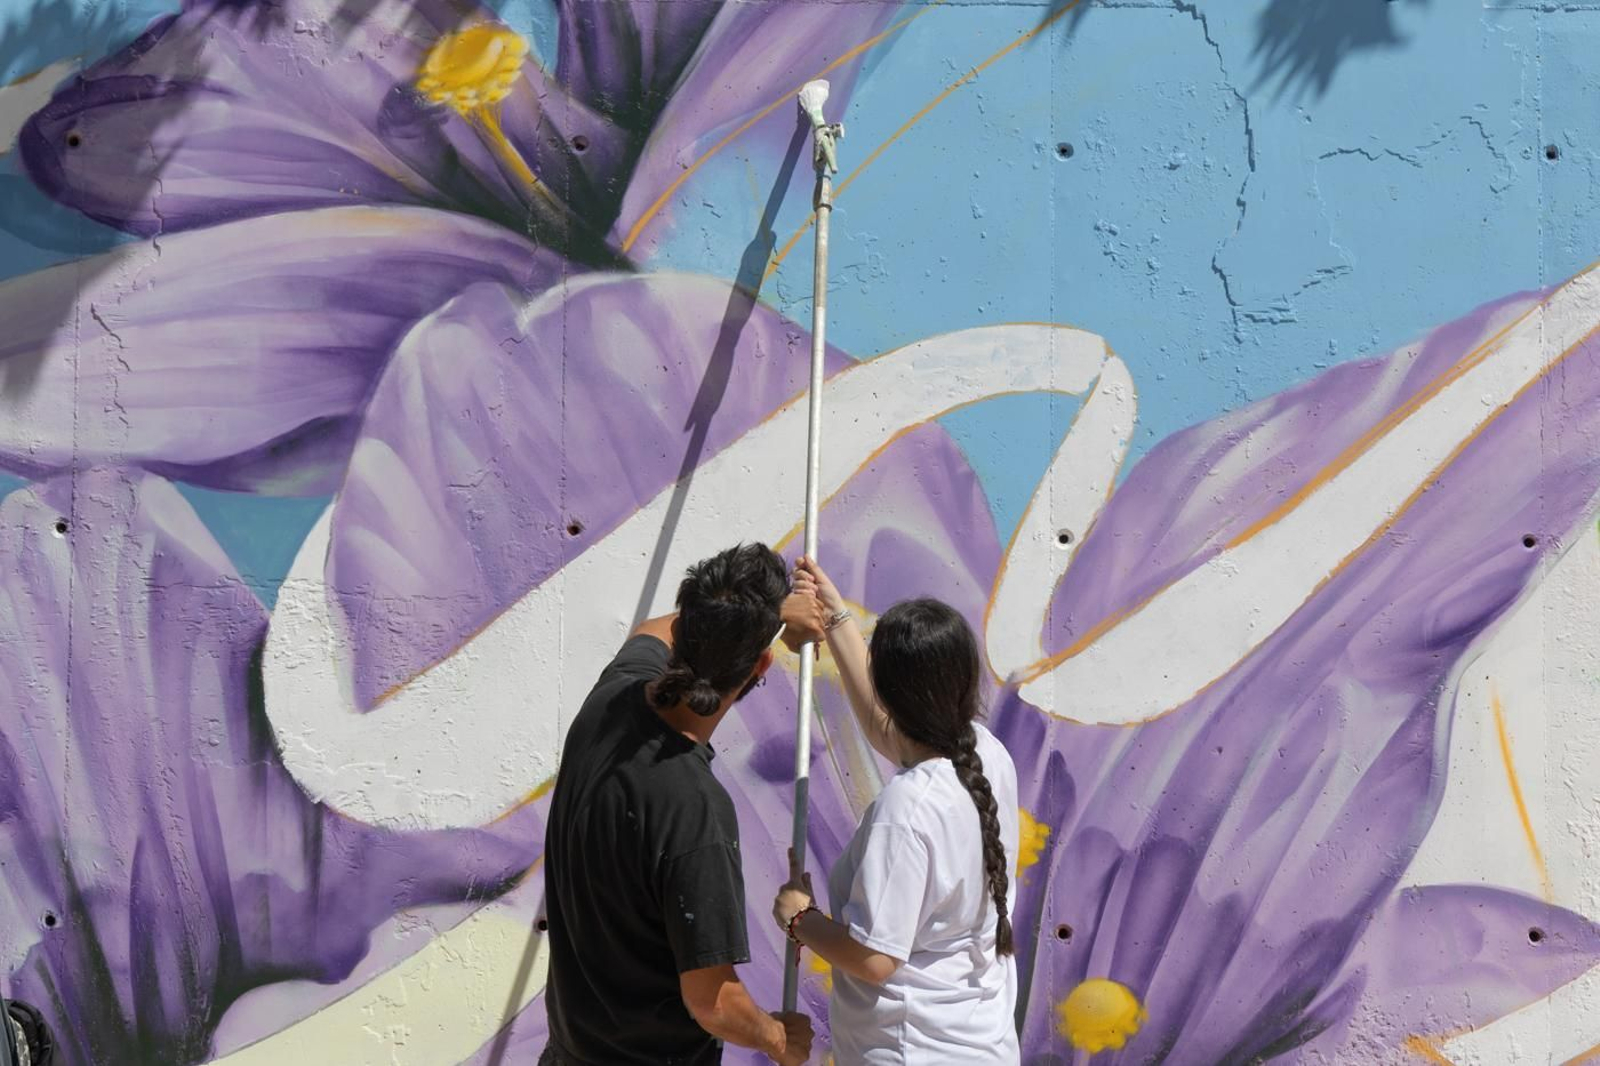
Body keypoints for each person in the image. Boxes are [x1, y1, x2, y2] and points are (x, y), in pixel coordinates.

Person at [540, 543, 827, 1066]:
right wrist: (778, 1039)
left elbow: (654, 627)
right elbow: (712, 1001)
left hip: (567, 1053)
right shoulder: (696, 812)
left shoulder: (614, 698)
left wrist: (764, 619)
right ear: (763, 662)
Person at [773, 557, 1021, 1064]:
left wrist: (801, 919)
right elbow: (890, 731)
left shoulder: (906, 809)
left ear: (893, 692)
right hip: (980, 1047)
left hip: (913, 1051)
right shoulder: (984, 753)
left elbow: (874, 958)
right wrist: (840, 620)